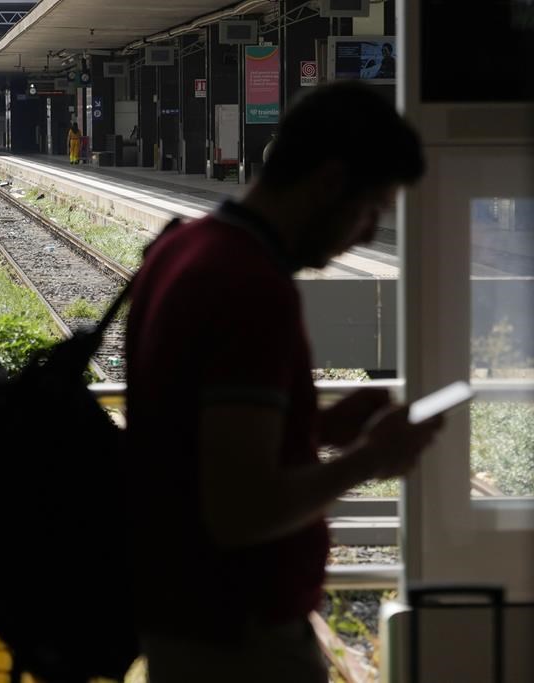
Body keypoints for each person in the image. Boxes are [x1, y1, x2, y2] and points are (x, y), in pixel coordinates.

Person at [124, 81, 442, 682]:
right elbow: (239, 510)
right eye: (371, 208)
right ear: (328, 182)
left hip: (184, 614)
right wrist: (371, 458)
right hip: (238, 636)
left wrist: (316, 427)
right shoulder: (249, 288)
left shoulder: (183, 247)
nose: (371, 235)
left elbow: (193, 436)